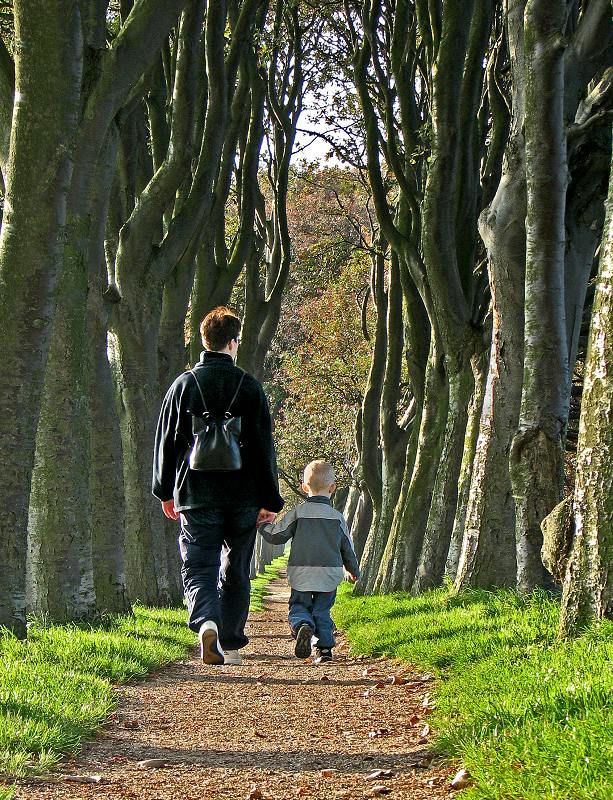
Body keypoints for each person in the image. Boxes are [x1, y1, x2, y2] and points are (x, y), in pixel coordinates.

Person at [152, 306, 284, 666]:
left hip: (196, 495)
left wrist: (165, 490)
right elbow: (263, 447)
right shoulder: (250, 387)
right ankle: (231, 641)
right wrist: (270, 498)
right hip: (244, 497)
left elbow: (167, 443)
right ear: (233, 342)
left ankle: (207, 622)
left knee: (198, 565)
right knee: (237, 567)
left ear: (204, 339)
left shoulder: (182, 386)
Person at [258, 460, 359, 663]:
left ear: (304, 487)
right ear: (333, 488)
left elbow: (277, 535)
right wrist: (353, 570)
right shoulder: (337, 517)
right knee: (322, 609)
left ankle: (303, 624)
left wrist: (263, 525)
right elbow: (347, 547)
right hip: (329, 574)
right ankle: (324, 651)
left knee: (299, 605)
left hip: (301, 571)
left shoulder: (298, 513)